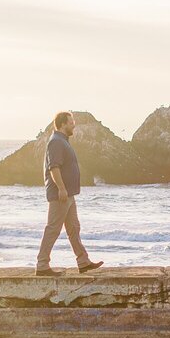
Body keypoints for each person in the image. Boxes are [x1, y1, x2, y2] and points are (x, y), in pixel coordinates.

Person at [36, 111, 104, 277]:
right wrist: (61, 188)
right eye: (71, 122)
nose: (74, 124)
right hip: (61, 194)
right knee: (53, 228)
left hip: (68, 194)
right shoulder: (56, 142)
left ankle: (83, 262)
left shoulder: (62, 141)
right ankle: (42, 264)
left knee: (74, 228)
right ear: (62, 124)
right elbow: (54, 167)